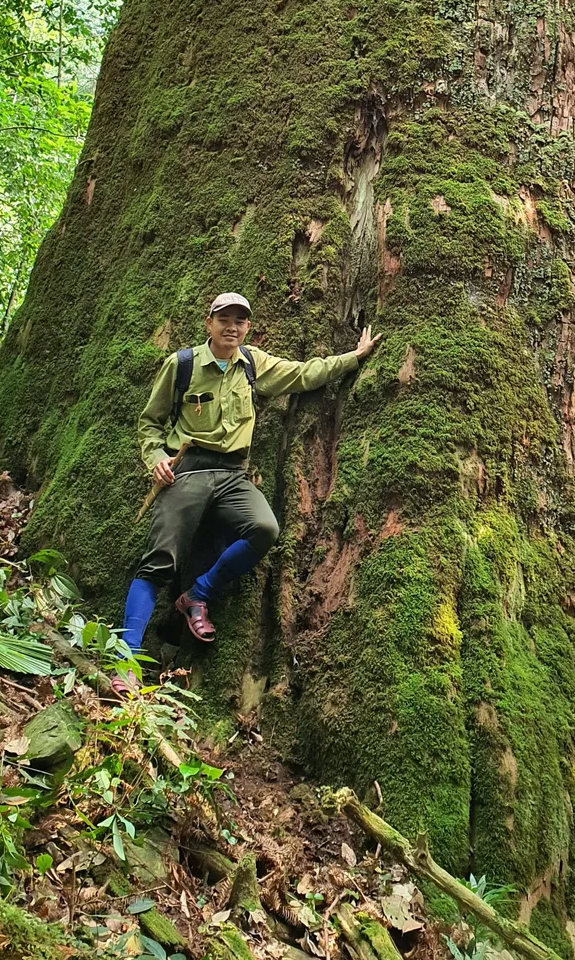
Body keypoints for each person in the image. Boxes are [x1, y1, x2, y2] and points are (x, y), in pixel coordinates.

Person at [115, 292, 378, 684]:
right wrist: (155, 459)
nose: (231, 327)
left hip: (234, 475)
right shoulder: (182, 365)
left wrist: (354, 358)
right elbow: (149, 423)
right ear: (209, 323)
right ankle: (126, 662)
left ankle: (198, 595)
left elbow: (305, 374)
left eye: (240, 321)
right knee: (159, 562)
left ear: (248, 327)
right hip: (186, 472)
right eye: (224, 319)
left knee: (265, 530)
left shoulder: (254, 364)